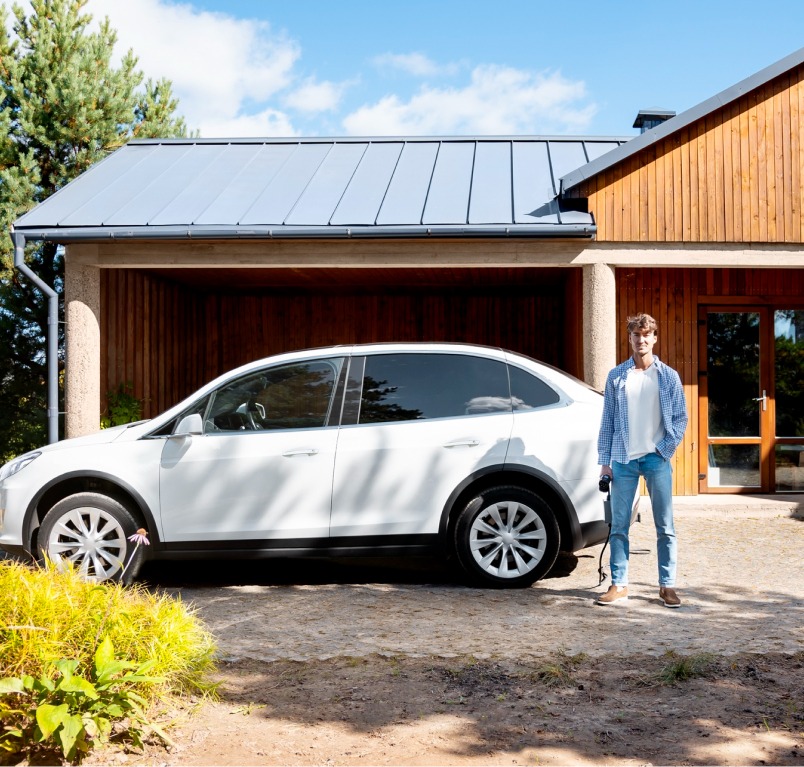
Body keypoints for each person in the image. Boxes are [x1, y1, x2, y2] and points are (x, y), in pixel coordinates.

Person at [596, 313, 689, 608]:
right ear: (630, 338)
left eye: (647, 334)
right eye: (636, 335)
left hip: (656, 459)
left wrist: (664, 450)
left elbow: (681, 418)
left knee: (665, 526)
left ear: (654, 338)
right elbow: (607, 422)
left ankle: (667, 586)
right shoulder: (617, 376)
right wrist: (605, 462)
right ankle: (619, 584)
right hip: (623, 459)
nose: (641, 340)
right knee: (619, 526)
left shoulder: (668, 376)